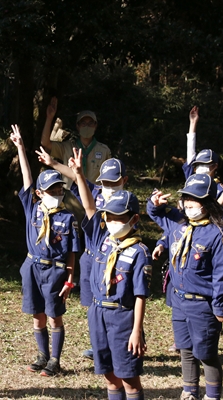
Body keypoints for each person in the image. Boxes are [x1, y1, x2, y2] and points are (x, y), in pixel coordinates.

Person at [152, 106, 223, 353]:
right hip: (182, 237)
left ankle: (199, 333)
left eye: (207, 164)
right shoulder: (191, 185)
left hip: (205, 240)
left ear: (215, 167)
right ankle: (181, 337)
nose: (202, 167)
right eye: (199, 164)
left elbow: (215, 215)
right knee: (176, 288)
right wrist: (192, 126)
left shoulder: (218, 189)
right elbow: (177, 223)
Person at [70, 147, 150, 400]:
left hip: (122, 318)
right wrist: (80, 176)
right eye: (110, 216)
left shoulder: (139, 251)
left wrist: (137, 330)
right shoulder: (103, 240)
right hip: (98, 313)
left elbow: (140, 295)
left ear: (134, 219)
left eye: (120, 217)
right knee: (109, 375)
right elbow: (90, 209)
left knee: (128, 377)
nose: (113, 221)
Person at [147, 174, 223, 400]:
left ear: (207, 204)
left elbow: (221, 275)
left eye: (195, 200)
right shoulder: (177, 222)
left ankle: (213, 395)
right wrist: (153, 202)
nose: (189, 204)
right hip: (179, 301)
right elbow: (155, 213)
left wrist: (219, 306)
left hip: (202, 305)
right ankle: (190, 391)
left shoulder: (217, 234)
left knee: (206, 352)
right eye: (186, 199)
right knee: (185, 349)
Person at [37, 148, 128, 360]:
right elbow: (78, 179)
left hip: (116, 259)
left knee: (117, 302)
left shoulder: (126, 202)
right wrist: (53, 164)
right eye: (106, 182)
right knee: (92, 303)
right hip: (90, 258)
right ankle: (98, 344)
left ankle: (120, 341)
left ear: (124, 180)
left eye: (115, 183)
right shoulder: (95, 193)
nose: (110, 187)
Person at [10, 124, 79, 376]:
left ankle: (55, 360)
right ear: (40, 193)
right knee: (37, 315)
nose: (58, 194)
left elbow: (72, 252)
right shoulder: (32, 207)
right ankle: (42, 354)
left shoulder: (68, 217)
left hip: (56, 273)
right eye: (52, 191)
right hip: (32, 267)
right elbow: (27, 179)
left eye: (60, 189)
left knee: (54, 317)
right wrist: (19, 147)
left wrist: (70, 280)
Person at [41, 96, 111, 186]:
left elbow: (109, 176)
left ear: (95, 126)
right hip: (70, 195)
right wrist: (49, 118)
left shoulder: (104, 150)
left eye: (90, 123)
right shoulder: (66, 147)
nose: (87, 126)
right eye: (83, 123)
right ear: (77, 126)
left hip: (94, 195)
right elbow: (45, 143)